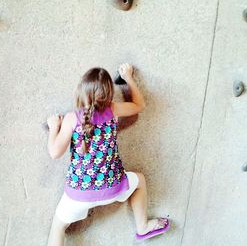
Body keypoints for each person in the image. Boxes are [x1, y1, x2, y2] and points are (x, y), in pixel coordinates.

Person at [46, 63, 169, 246]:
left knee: (58, 227)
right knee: (140, 181)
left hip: (79, 194)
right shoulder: (113, 109)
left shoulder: (72, 118)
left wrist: (53, 128)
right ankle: (142, 226)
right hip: (113, 187)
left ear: (80, 90)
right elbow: (139, 105)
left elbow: (55, 152)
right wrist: (128, 78)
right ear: (108, 95)